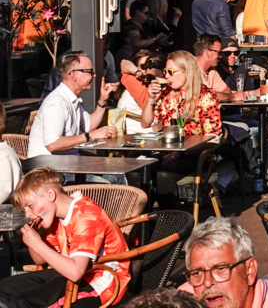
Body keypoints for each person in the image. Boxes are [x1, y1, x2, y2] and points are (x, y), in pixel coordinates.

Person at [2, 167, 130, 308]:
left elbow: (75, 272)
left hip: (102, 283)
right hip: (73, 274)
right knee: (4, 287)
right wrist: (35, 237)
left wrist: (36, 243)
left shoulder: (85, 216)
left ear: (50, 194)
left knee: (22, 302)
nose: (27, 214)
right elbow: (40, 259)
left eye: (30, 206)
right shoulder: (55, 216)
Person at [178, 217, 268, 308]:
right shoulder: (183, 300)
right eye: (197, 273)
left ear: (249, 270)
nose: (207, 282)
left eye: (220, 269)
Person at [28, 50, 119, 158]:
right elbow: (52, 144)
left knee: (115, 171)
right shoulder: (56, 103)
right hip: (50, 170)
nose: (94, 75)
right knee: (114, 173)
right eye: (90, 71)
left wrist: (103, 100)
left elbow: (89, 125)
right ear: (74, 75)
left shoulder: (70, 99)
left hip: (68, 165)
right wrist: (90, 136)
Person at [140, 51, 222, 135]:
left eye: (171, 72)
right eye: (165, 71)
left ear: (186, 72)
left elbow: (212, 137)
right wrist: (150, 99)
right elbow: (145, 124)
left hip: (194, 147)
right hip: (168, 145)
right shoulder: (166, 93)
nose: (167, 76)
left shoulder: (206, 96)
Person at [194, 36, 233, 101]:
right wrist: (231, 97)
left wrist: (212, 94)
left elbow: (227, 91)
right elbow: (204, 97)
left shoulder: (211, 70)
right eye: (218, 52)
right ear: (207, 53)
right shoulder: (189, 68)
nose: (220, 56)